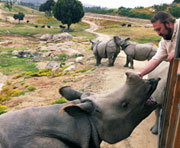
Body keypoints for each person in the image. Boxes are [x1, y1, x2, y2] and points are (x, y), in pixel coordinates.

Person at [138, 11, 180, 78]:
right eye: (156, 31)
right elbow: (156, 59)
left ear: (168, 23)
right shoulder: (164, 41)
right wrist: (141, 74)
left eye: (159, 29)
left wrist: (177, 52)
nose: (158, 33)